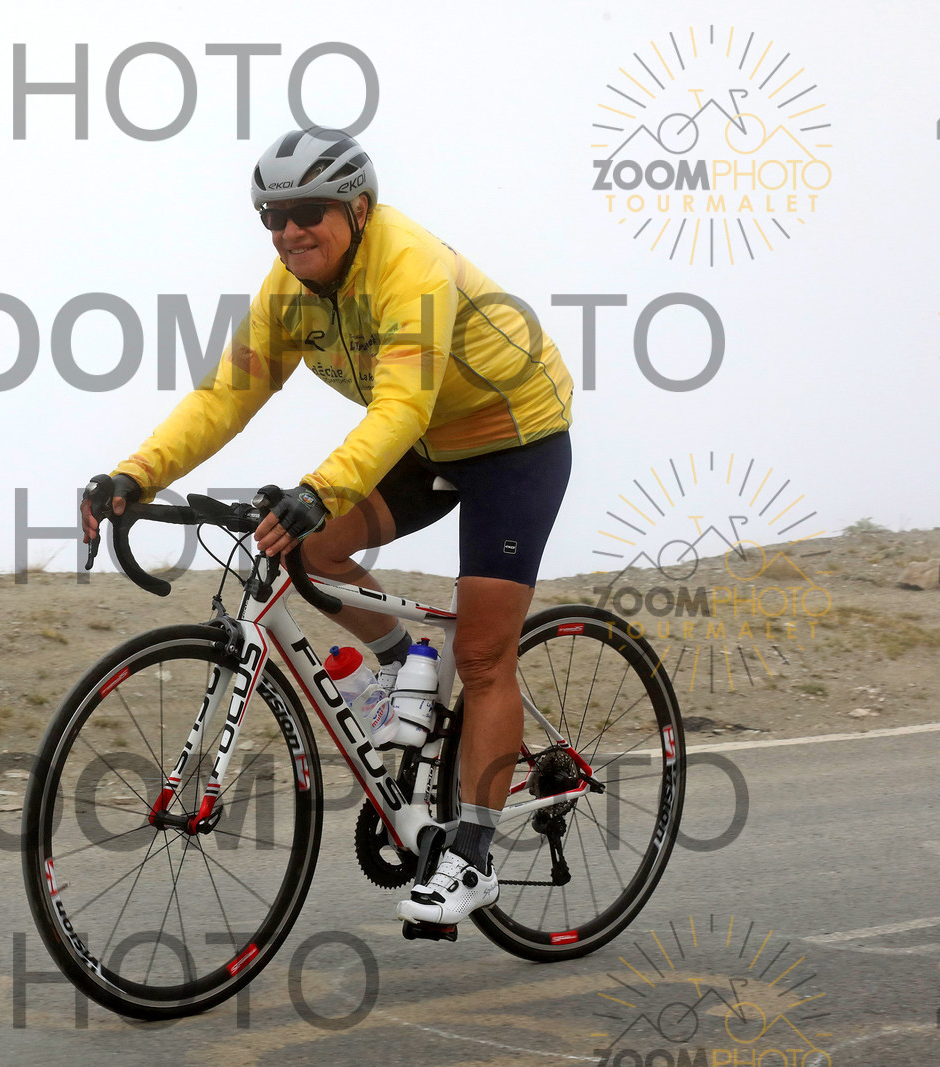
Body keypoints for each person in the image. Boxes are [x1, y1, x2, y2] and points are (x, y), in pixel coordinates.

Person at [80, 127, 574, 927]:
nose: (289, 231)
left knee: (484, 654)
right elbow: (224, 396)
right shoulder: (288, 291)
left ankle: (474, 856)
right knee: (308, 550)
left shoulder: (409, 265)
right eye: (272, 216)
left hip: (513, 441)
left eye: (308, 211)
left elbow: (401, 404)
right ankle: (403, 668)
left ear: (360, 209)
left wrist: (320, 486)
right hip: (426, 444)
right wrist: (137, 474)